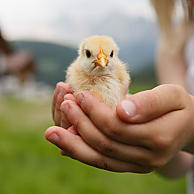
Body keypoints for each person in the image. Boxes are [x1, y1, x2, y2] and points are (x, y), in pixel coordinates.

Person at [45, 0, 194, 192]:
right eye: (90, 55)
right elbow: (183, 162)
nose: (102, 61)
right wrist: (158, 140)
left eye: (109, 55)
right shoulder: (174, 43)